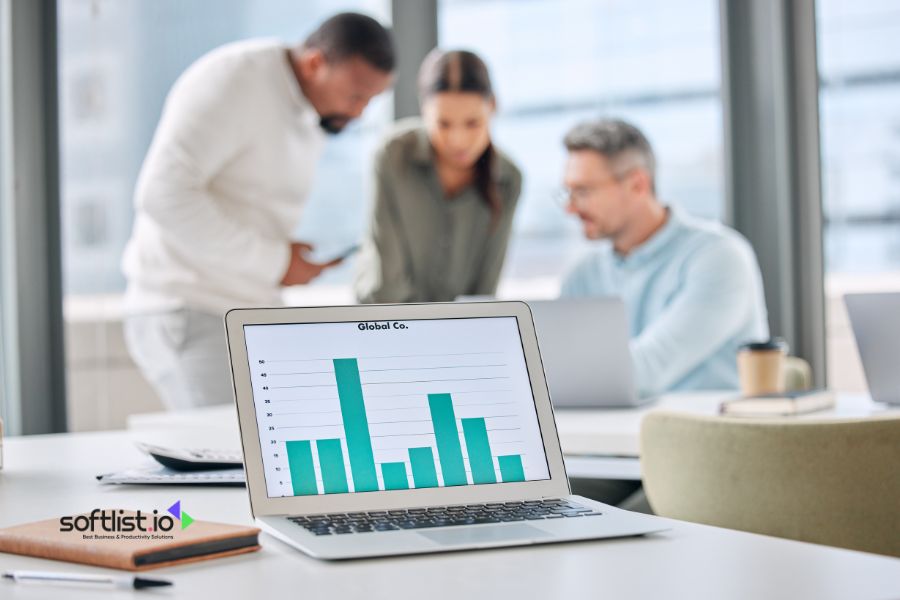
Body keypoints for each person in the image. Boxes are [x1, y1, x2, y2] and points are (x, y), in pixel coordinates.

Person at [121, 13, 395, 409]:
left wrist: (286, 258)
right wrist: (276, 262)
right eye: (356, 95)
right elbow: (163, 194)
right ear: (316, 63)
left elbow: (244, 198)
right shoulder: (236, 82)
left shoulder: (305, 105)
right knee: (227, 462)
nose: (360, 114)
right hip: (191, 309)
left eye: (371, 100)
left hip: (243, 311)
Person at [559, 118, 769, 399]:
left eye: (583, 192)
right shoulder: (582, 274)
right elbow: (562, 368)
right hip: (608, 438)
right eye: (568, 192)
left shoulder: (718, 257)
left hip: (702, 438)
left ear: (637, 184)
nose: (571, 208)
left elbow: (649, 370)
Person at [354, 49, 522, 303]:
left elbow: (485, 290)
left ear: (493, 107)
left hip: (460, 330)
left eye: (472, 123)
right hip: (386, 319)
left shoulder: (508, 179)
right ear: (424, 111)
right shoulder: (393, 155)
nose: (458, 140)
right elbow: (386, 284)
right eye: (443, 124)